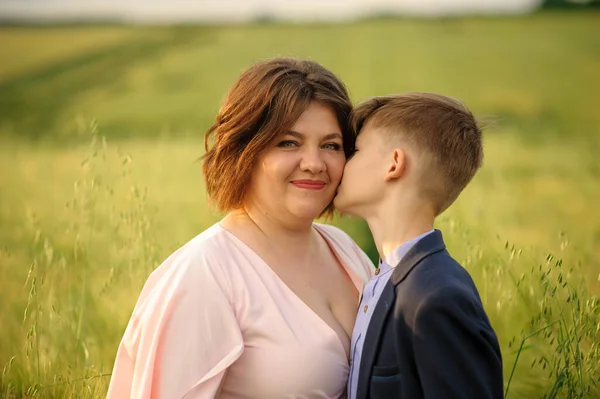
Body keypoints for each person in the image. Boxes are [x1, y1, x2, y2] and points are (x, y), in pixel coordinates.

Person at [106, 57, 375, 399]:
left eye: (331, 145)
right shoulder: (202, 276)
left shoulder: (345, 251)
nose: (314, 163)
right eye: (288, 143)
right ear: (244, 151)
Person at [334, 93, 504, 399]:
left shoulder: (437, 299)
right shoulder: (383, 279)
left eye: (355, 150)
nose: (341, 163)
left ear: (394, 164)